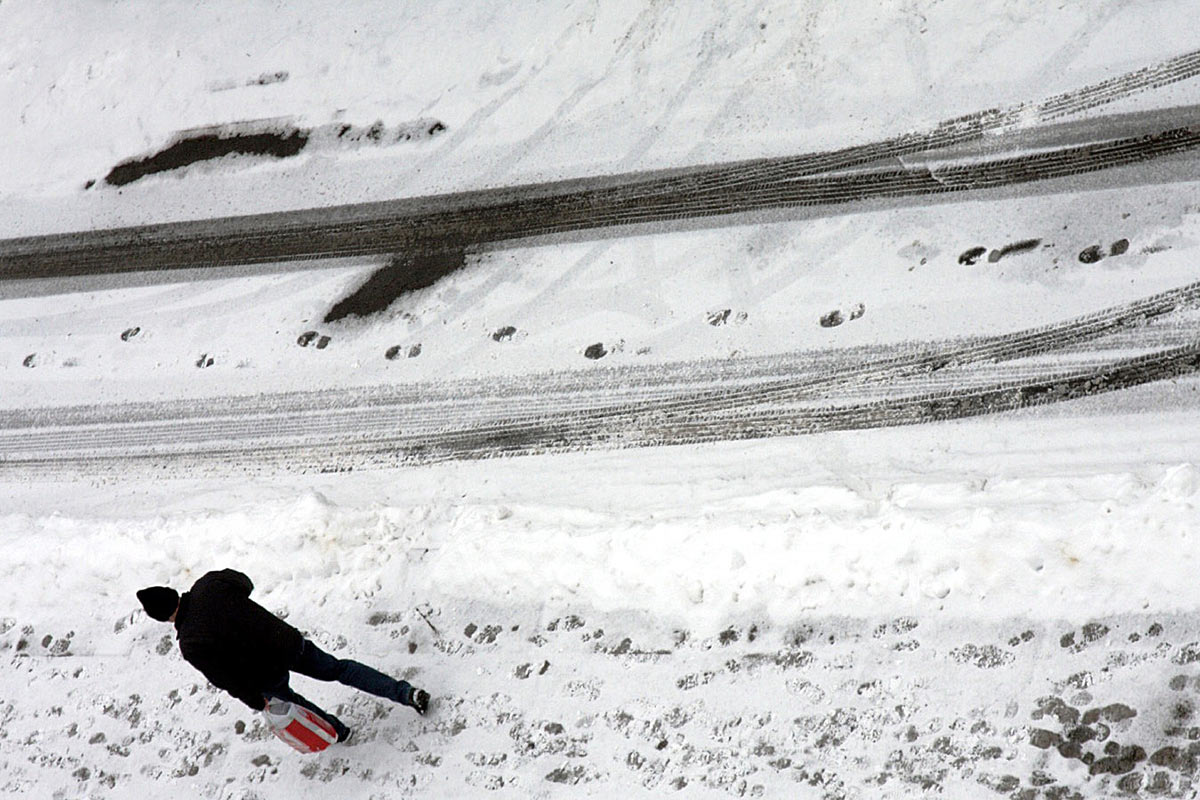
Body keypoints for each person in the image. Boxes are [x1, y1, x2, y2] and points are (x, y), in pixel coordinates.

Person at [137, 568, 429, 743]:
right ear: (173, 592)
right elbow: (244, 582)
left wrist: (254, 700)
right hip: (286, 642)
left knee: (297, 706)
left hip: (263, 674)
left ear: (162, 618)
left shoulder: (190, 642)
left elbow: (225, 678)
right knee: (339, 669)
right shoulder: (209, 585)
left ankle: (338, 732)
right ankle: (405, 693)